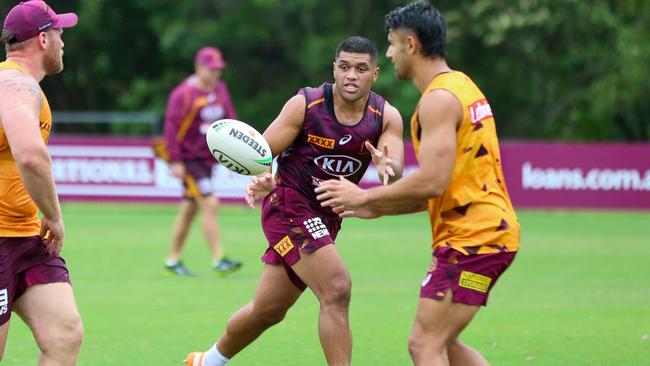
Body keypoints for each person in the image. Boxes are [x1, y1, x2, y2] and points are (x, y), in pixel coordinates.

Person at [316, 2, 521, 365]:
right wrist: (378, 206)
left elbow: (431, 182)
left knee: (424, 344)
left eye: (392, 44)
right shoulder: (461, 86)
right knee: (446, 344)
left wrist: (363, 197)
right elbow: (440, 190)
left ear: (411, 44)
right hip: (489, 235)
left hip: (473, 240)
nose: (390, 53)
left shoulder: (438, 101)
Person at [184, 36, 404, 366]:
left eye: (360, 69)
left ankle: (206, 361)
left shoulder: (385, 116)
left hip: (326, 218)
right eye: (344, 67)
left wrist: (391, 166)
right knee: (337, 288)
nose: (351, 76)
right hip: (288, 206)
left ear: (375, 73)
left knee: (267, 310)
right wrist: (264, 177)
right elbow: (261, 153)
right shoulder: (306, 104)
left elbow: (394, 166)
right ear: (334, 69)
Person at [0, 1, 83, 364]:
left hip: (26, 238)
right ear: (43, 40)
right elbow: (31, 154)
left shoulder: (23, 85)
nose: (64, 41)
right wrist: (54, 214)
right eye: (60, 32)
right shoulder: (16, 84)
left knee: (64, 334)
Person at [159, 46, 242, 276]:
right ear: (199, 67)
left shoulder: (221, 90)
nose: (216, 74)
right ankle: (219, 258)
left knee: (189, 210)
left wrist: (236, 147)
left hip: (207, 160)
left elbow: (230, 120)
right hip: (189, 161)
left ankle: (172, 260)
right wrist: (175, 160)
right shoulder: (183, 94)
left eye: (219, 69)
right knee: (210, 202)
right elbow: (171, 128)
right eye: (212, 69)